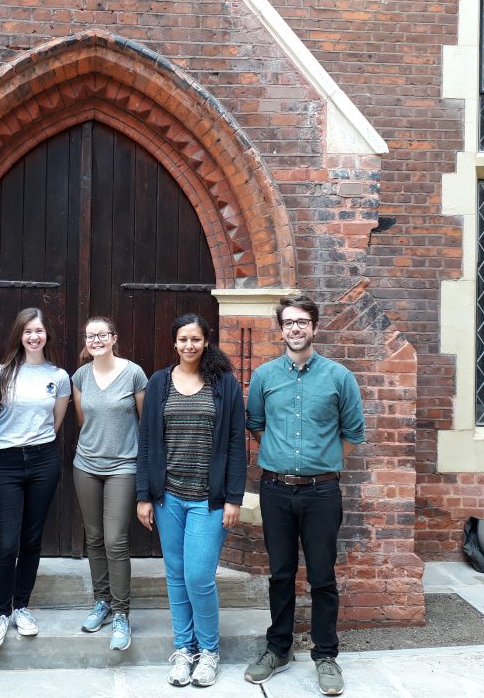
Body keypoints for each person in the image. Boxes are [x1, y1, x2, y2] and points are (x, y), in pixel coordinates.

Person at [243, 294, 365, 696]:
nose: (295, 329)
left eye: (302, 322)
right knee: (280, 573)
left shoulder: (338, 377)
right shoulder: (264, 376)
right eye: (288, 323)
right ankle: (278, 649)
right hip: (275, 490)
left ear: (314, 326)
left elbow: (353, 433)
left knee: (322, 576)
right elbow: (256, 424)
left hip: (321, 492)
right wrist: (281, 458)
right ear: (281, 329)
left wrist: (322, 461)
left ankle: (325, 655)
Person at [136, 313, 246, 688]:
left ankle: (209, 651)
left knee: (198, 576)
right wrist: (144, 495)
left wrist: (234, 498)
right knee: (176, 576)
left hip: (208, 500)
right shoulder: (159, 382)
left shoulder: (225, 384)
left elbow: (236, 444)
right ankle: (184, 649)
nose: (189, 345)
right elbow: (146, 442)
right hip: (168, 497)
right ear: (174, 342)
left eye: (195, 339)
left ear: (206, 341)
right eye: (183, 339)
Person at [0, 307, 71, 648]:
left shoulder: (59, 377)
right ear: (19, 335)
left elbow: (56, 423)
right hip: (4, 460)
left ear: (47, 335)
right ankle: (0, 613)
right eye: (28, 331)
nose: (34, 336)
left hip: (42, 460)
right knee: (7, 542)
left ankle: (21, 607)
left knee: (32, 538)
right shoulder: (1, 374)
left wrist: (34, 444)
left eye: (39, 331)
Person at [72, 316, 148, 650]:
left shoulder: (134, 373)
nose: (96, 340)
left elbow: (145, 423)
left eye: (102, 335)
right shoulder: (80, 376)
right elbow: (83, 420)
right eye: (91, 336)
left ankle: (121, 612)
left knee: (115, 539)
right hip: (86, 465)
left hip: (123, 466)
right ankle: (102, 602)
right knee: (94, 537)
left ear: (114, 338)